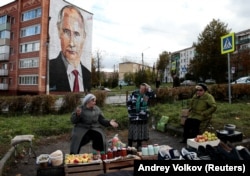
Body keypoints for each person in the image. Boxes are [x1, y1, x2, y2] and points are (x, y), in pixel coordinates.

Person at [49, 5, 91, 92]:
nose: (72, 43)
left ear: (84, 37)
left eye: (76, 34)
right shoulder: (49, 69)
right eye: (66, 32)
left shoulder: (87, 75)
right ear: (59, 32)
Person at [126, 83, 154, 150]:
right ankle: (129, 145)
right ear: (139, 87)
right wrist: (130, 111)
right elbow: (128, 102)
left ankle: (139, 145)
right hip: (133, 116)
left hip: (142, 116)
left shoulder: (146, 95)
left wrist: (149, 88)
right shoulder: (134, 93)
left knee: (140, 131)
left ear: (145, 89)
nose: (142, 90)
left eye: (144, 89)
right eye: (141, 88)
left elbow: (154, 96)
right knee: (132, 131)